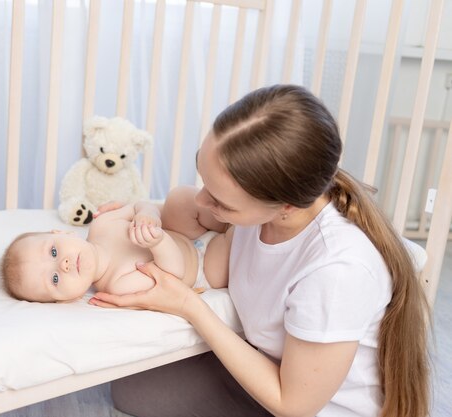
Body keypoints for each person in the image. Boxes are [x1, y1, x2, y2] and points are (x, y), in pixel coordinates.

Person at [89, 85, 430, 417]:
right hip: (268, 362)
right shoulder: (260, 213)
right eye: (203, 179)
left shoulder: (336, 271)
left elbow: (293, 405)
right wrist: (143, 211)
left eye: (220, 201)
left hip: (306, 405)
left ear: (286, 206)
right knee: (132, 389)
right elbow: (188, 213)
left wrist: (187, 304)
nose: (201, 200)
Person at [0, 186, 230, 302]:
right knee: (232, 248)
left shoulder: (101, 225)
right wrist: (157, 242)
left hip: (180, 232)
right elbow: (174, 273)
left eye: (53, 251)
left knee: (180, 198)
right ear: (66, 299)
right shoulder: (118, 283)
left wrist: (148, 216)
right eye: (55, 279)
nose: (64, 264)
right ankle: (237, 225)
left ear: (61, 232)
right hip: (201, 265)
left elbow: (140, 205)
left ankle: (229, 213)